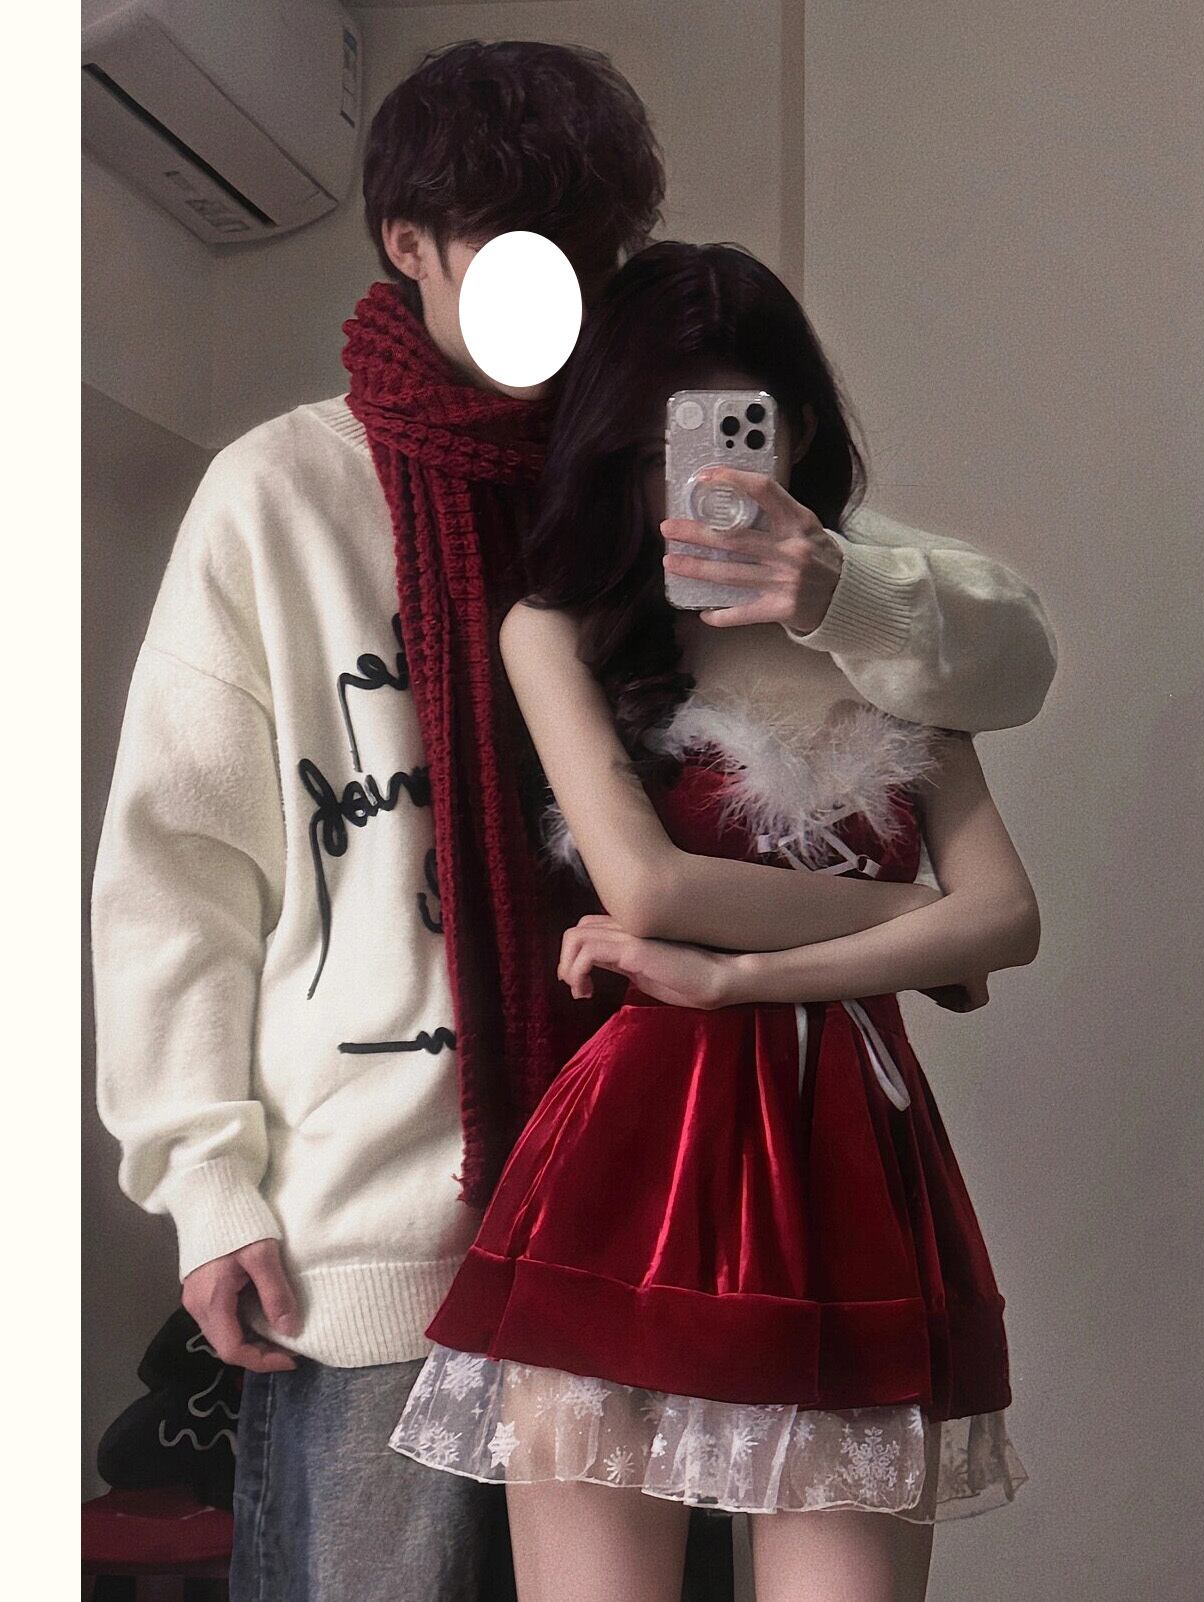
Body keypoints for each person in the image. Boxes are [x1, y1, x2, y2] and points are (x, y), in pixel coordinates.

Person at [89, 42, 1057, 1602]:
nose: (563, 292)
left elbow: (1005, 654)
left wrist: (835, 584)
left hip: (693, 1190)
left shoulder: (677, 475)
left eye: (589, 253)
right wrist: (204, 1179)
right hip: (379, 1212)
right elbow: (179, 866)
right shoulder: (281, 493)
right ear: (409, 243)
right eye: (514, 248)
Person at [387, 240, 1039, 1602]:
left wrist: (735, 976)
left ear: (794, 431)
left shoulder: (889, 636)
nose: (686, 479)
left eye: (731, 429)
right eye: (646, 448)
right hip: (634, 1160)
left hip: (852, 1170)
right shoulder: (559, 630)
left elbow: (1008, 916)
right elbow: (652, 892)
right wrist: (909, 920)